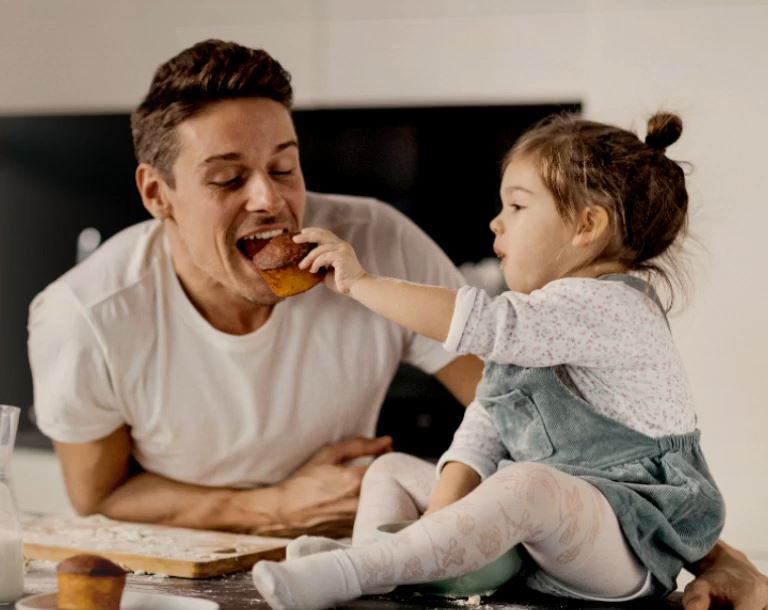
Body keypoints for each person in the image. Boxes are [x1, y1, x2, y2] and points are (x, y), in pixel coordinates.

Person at [25, 40, 767, 610]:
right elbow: (100, 499)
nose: (269, 201)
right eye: (227, 178)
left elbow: (531, 408)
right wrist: (273, 506)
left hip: (346, 561)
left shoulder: (374, 243)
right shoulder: (85, 316)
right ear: (157, 193)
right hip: (195, 567)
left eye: (284, 168)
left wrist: (700, 550)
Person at [250, 113, 758, 609]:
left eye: (517, 206)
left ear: (587, 225)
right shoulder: (538, 330)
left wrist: (361, 284)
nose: (496, 222)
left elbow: (484, 323)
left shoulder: (613, 307)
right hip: (543, 535)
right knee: (390, 470)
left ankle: (356, 570)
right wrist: (435, 530)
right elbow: (483, 430)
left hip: (629, 538)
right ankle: (384, 563)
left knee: (527, 483)